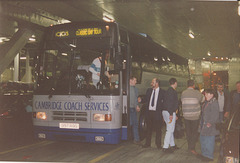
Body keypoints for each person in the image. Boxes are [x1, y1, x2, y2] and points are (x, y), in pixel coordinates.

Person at [181, 79, 204, 155]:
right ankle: (192, 148)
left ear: (187, 85)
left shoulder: (183, 93)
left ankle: (189, 146)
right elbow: (203, 99)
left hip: (186, 116)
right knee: (194, 132)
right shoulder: (197, 93)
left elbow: (182, 101)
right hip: (195, 117)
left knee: (188, 132)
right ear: (193, 85)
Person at [141, 78, 165, 149]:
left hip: (157, 113)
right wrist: (141, 100)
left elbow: (164, 104)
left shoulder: (162, 92)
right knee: (149, 129)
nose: (151, 83)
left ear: (157, 83)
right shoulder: (149, 90)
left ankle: (158, 144)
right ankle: (147, 144)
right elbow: (146, 99)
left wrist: (163, 114)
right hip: (149, 113)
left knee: (158, 130)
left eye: (153, 82)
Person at [198, 89, 220, 162]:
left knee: (209, 141)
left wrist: (210, 123)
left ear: (212, 94)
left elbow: (215, 115)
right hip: (203, 125)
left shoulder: (214, 103)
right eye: (205, 94)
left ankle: (209, 156)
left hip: (209, 126)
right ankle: (204, 154)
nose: (205, 95)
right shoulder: (207, 102)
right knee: (203, 140)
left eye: (207, 94)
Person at [162, 78, 179, 153]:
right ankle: (165, 147)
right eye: (176, 83)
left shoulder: (167, 91)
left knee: (170, 128)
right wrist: (171, 113)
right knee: (170, 130)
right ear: (175, 83)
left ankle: (172, 145)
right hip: (170, 112)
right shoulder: (173, 92)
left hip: (165, 111)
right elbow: (171, 103)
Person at [129, 76, 141, 145]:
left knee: (132, 123)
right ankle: (136, 139)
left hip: (131, 108)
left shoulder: (134, 89)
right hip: (132, 109)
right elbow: (134, 99)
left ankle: (135, 138)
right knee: (134, 124)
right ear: (130, 80)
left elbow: (136, 98)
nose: (136, 82)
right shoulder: (132, 89)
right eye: (135, 80)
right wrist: (136, 106)